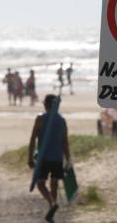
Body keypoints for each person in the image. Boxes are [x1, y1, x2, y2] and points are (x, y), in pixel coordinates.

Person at [28, 94, 71, 222]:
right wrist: (68, 159)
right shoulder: (62, 120)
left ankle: (52, 203)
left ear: (46, 105)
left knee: (40, 184)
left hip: (43, 158)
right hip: (57, 158)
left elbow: (32, 139)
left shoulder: (40, 119)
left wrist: (30, 157)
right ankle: (51, 210)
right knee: (54, 184)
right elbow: (65, 142)